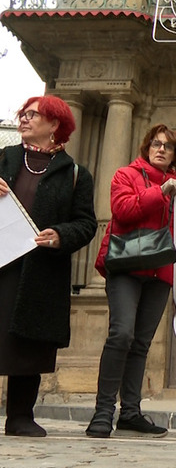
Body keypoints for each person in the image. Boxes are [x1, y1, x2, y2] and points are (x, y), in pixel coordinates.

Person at [0, 95, 97, 437]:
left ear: (55, 125)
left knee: (27, 344)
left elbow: (86, 224)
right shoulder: (4, 157)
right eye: (23, 115)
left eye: (32, 115)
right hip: (1, 262)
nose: (23, 120)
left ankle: (20, 417)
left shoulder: (75, 174)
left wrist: (60, 234)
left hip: (40, 271)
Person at [87, 124, 176, 438]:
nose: (161, 150)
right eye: (156, 144)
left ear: (174, 154)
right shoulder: (125, 175)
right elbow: (123, 210)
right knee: (121, 334)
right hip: (126, 267)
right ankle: (103, 413)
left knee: (141, 343)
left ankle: (130, 412)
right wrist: (161, 192)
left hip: (160, 272)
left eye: (167, 146)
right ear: (146, 147)